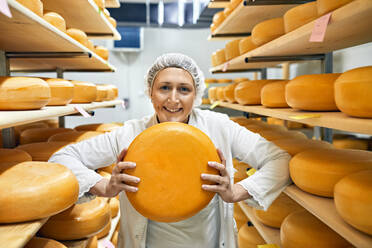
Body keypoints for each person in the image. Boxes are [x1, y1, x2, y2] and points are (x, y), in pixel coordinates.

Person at [49, 53, 291, 248]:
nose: (173, 99)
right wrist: (103, 187)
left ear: (196, 95)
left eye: (184, 89)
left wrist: (237, 191)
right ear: (150, 92)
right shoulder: (129, 134)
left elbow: (280, 160)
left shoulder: (220, 126)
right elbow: (62, 158)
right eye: (164, 88)